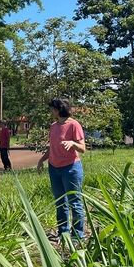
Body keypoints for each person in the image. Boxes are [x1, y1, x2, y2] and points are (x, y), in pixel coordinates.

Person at [36, 98, 86, 241]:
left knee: (74, 202)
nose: (51, 112)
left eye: (52, 109)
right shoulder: (53, 126)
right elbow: (52, 147)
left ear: (58, 110)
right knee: (60, 202)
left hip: (71, 169)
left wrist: (72, 143)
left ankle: (77, 235)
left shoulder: (74, 125)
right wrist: (41, 160)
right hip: (54, 168)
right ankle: (63, 233)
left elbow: (83, 148)